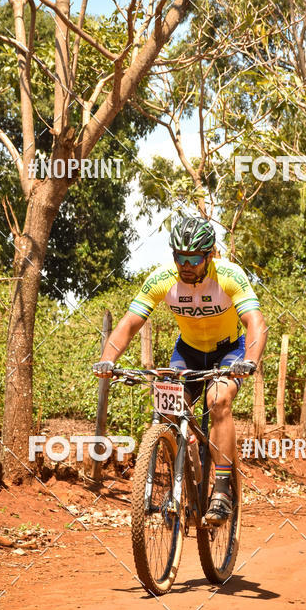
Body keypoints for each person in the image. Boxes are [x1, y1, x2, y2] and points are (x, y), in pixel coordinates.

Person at [92, 216, 267, 524]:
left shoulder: (228, 275)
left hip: (229, 351)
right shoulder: (163, 279)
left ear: (210, 255)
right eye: (179, 257)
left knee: (218, 400)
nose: (186, 265)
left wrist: (249, 360)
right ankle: (186, 469)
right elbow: (130, 323)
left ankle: (223, 490)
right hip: (187, 351)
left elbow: (255, 322)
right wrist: (108, 360)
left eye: (194, 258)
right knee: (168, 408)